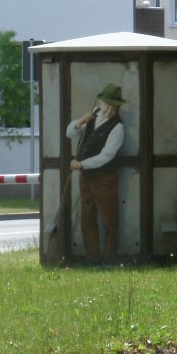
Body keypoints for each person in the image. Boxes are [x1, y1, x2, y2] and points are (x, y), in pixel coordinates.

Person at [66, 83, 126, 262]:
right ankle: (93, 258)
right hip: (87, 179)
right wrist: (80, 122)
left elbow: (106, 156)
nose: (113, 109)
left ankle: (109, 259)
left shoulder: (118, 128)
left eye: (116, 106)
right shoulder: (93, 116)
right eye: (110, 104)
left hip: (104, 179)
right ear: (101, 103)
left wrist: (81, 165)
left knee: (110, 222)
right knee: (87, 220)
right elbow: (70, 133)